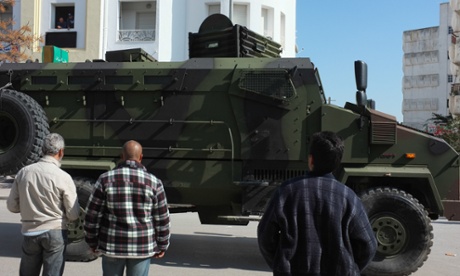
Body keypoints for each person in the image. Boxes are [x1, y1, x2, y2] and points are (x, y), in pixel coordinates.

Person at [257, 131, 377, 275]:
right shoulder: (348, 197)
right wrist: (351, 269)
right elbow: (368, 245)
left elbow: (265, 237)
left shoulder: (286, 192)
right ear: (337, 162)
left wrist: (281, 264)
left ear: (311, 159)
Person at [84, 140, 170, 276]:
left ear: (121, 156)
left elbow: (92, 215)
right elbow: (162, 219)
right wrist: (162, 244)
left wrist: (92, 241)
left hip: (112, 245)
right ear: (141, 157)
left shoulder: (105, 179)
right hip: (142, 247)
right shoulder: (154, 182)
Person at [7, 133, 80, 276]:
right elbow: (73, 214)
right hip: (55, 232)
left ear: (42, 150)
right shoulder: (63, 177)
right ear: (60, 152)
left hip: (30, 232)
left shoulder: (23, 173)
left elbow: (12, 206)